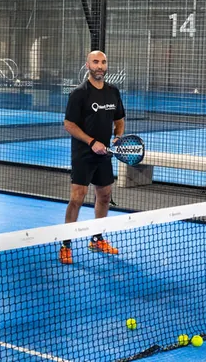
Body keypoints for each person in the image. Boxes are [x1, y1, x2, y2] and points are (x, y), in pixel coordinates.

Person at [60, 50, 126, 265]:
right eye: (95, 62)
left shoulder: (113, 92)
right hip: (83, 155)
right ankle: (66, 245)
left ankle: (97, 239)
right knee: (77, 198)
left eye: (103, 62)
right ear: (87, 65)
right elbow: (69, 124)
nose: (100, 66)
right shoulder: (79, 94)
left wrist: (118, 136)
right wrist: (91, 142)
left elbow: (119, 119)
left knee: (105, 196)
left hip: (104, 154)